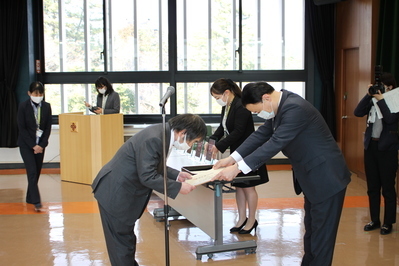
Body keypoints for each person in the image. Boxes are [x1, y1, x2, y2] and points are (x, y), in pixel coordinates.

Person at [212, 82, 351, 266]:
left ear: (266, 98)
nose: (257, 115)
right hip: (312, 178)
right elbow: (261, 135)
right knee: (312, 232)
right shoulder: (281, 106)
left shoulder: (294, 108)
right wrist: (232, 159)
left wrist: (238, 168)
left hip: (326, 177)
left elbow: (275, 143)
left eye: (256, 111)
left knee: (321, 238)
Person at [92, 114, 207, 266]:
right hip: (116, 193)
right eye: (194, 141)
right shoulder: (156, 138)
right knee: (121, 244)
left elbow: (152, 164)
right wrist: (179, 187)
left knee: (124, 241)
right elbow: (147, 176)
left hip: (120, 190)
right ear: (183, 133)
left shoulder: (161, 133)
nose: (191, 145)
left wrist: (177, 175)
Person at [208, 78, 268, 234]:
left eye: (217, 97)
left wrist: (220, 146)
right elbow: (223, 127)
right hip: (236, 151)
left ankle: (252, 219)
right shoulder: (227, 106)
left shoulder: (241, 105)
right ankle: (241, 218)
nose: (217, 100)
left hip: (247, 151)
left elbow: (238, 131)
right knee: (239, 187)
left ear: (226, 93)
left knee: (248, 187)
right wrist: (213, 140)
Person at [354, 72, 398, 235]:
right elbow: (357, 112)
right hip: (371, 147)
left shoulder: (395, 100)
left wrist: (382, 100)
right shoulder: (372, 100)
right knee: (372, 187)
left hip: (388, 149)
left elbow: (390, 119)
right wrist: (368, 96)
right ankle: (375, 219)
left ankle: (388, 222)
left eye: (383, 87)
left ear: (390, 87)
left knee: (387, 187)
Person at [17, 81, 52, 212]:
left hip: (40, 146)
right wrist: (33, 145)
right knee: (31, 171)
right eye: (35, 93)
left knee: (36, 172)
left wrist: (41, 145)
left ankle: (29, 197)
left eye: (40, 93)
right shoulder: (23, 106)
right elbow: (22, 128)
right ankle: (37, 202)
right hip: (26, 145)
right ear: (29, 93)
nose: (38, 96)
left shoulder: (47, 107)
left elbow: (47, 127)